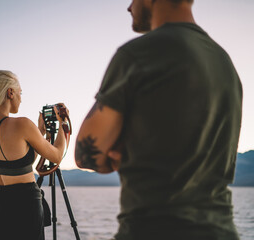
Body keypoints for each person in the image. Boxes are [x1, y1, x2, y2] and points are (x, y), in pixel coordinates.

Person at [75, 0, 242, 239]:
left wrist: (123, 149)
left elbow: (85, 154)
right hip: (222, 231)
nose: (129, 7)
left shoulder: (138, 54)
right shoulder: (225, 62)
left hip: (154, 228)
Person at [0, 70, 67, 240]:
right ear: (10, 92)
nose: (21, 98)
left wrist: (39, 132)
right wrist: (63, 123)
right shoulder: (22, 124)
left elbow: (19, 165)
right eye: (20, 93)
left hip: (2, 208)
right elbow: (56, 156)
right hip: (28, 208)